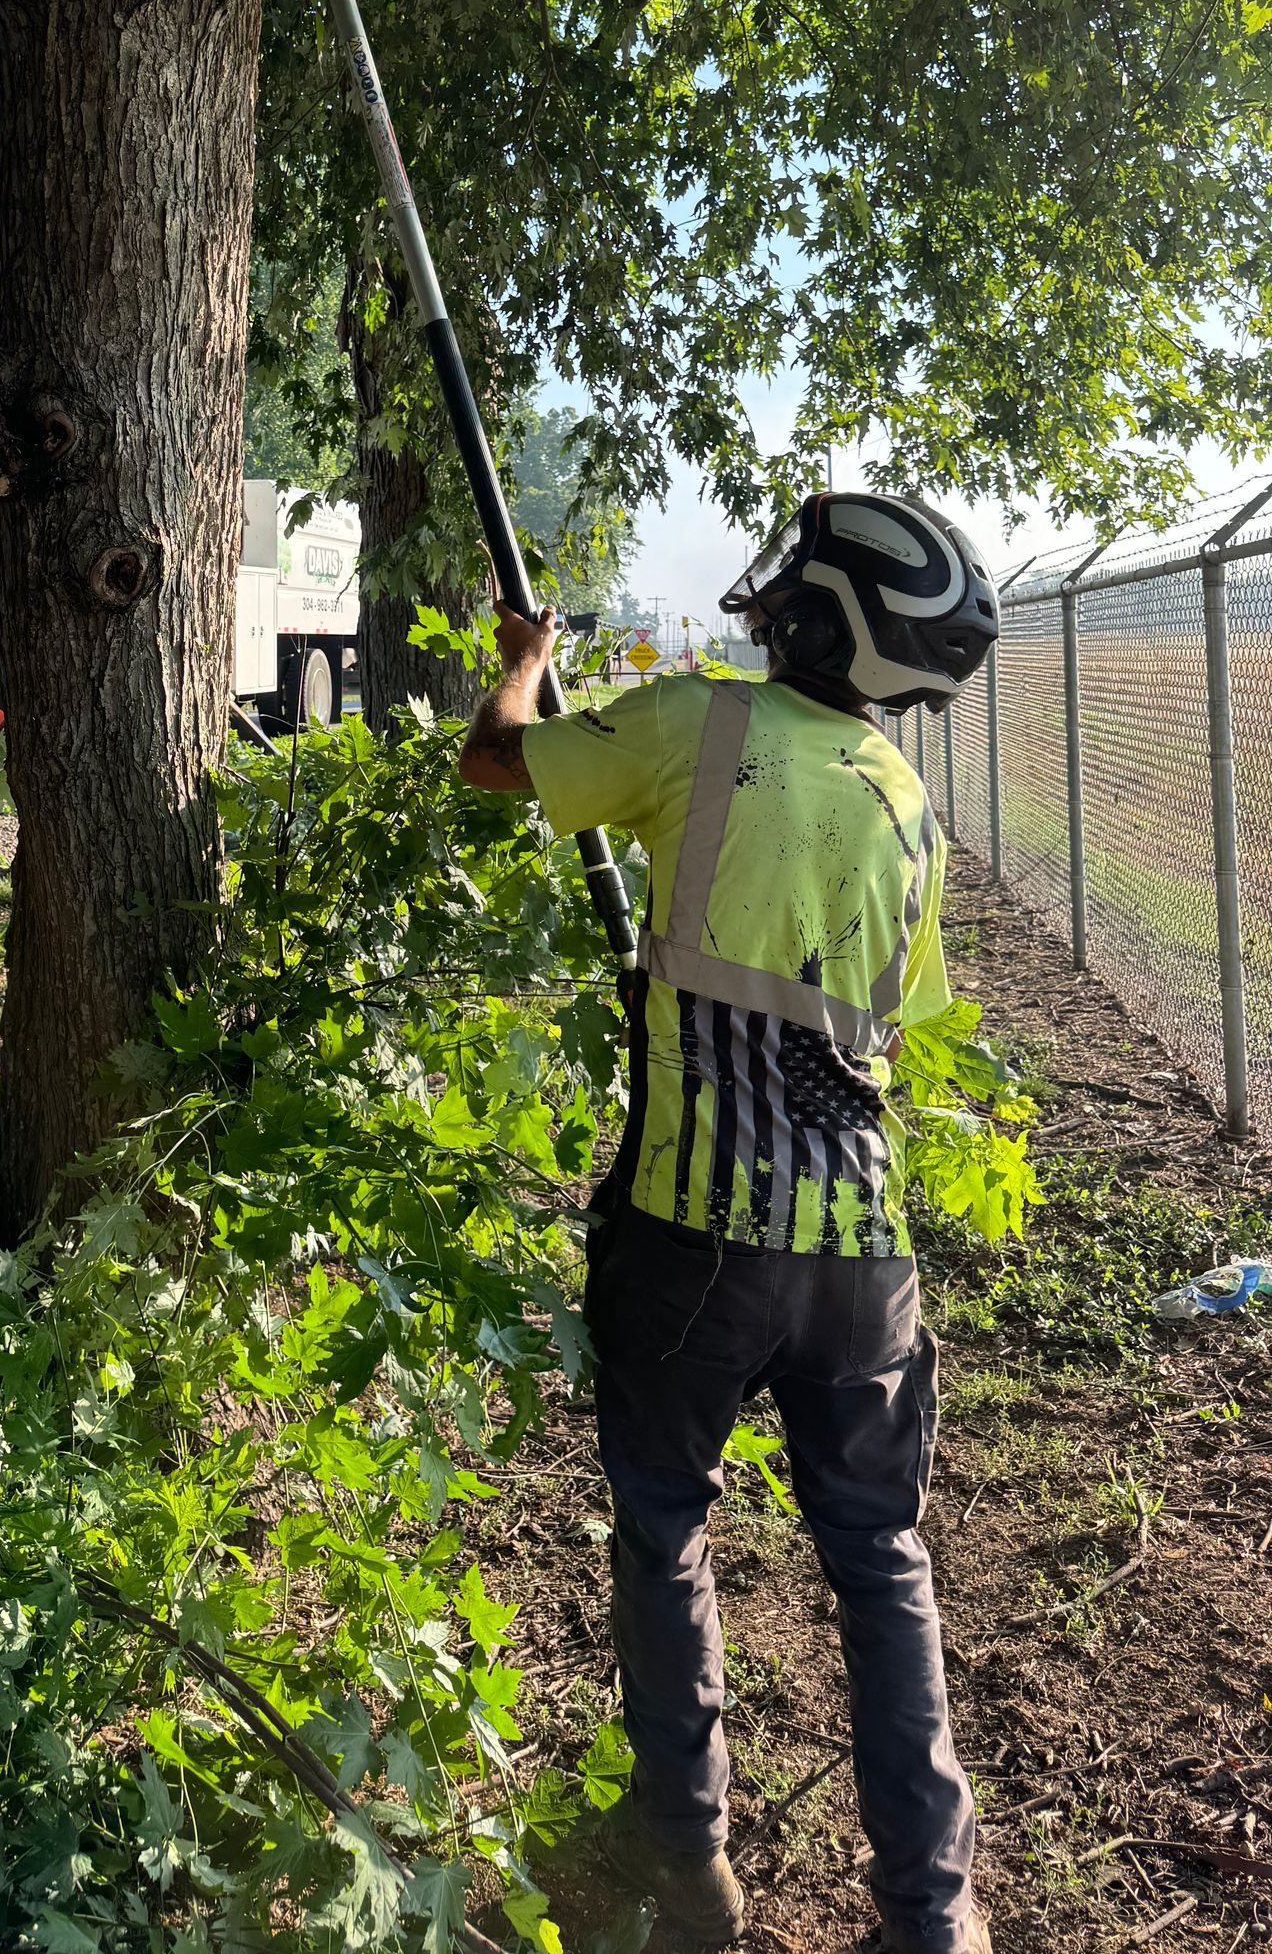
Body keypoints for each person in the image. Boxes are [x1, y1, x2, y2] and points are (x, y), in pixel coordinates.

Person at [459, 492, 999, 1954]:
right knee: (883, 1561)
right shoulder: (905, 804)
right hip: (860, 1261)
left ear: (815, 615)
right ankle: (932, 1917)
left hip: (692, 1236)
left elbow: (494, 763)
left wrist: (522, 658)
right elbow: (897, 1020)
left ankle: (686, 1863)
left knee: (663, 1530)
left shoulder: (694, 725)